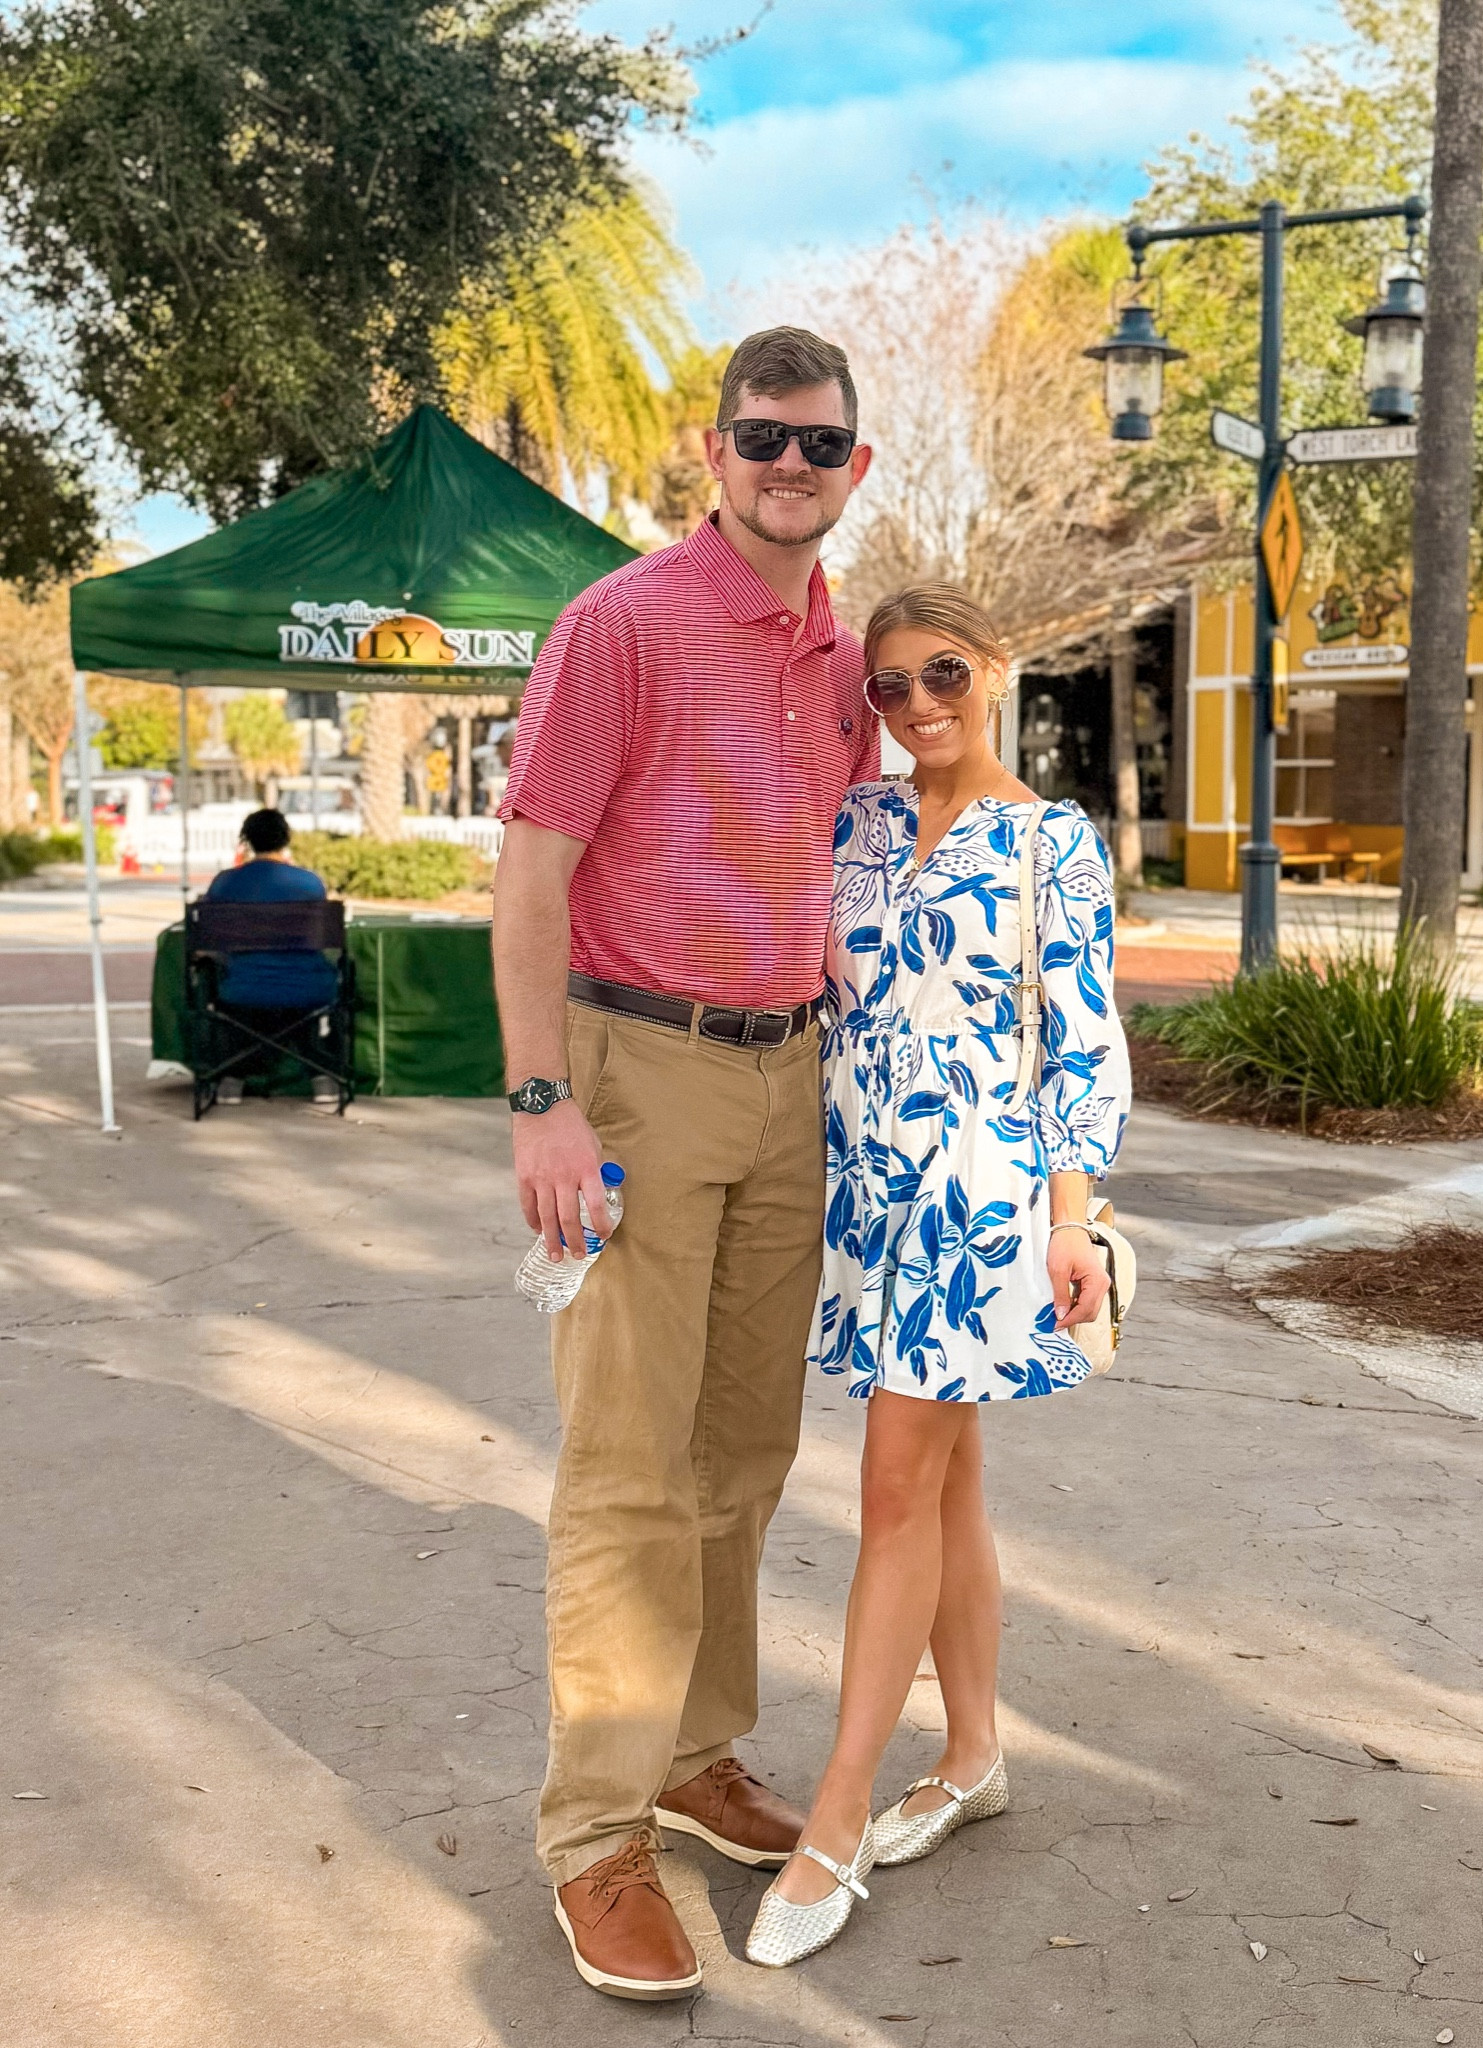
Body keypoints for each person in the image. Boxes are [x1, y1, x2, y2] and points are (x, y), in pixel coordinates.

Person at [490, 328, 876, 2002]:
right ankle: (594, 1832)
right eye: (763, 438)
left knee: (744, 1448)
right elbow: (528, 876)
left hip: (790, 1072)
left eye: (820, 444)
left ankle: (696, 1750)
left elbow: (831, 853)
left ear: (856, 467)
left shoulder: (843, 649)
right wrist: (539, 1100)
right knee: (632, 1467)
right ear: (710, 452)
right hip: (635, 1074)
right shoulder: (619, 628)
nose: (789, 465)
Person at [743, 583, 1131, 1968]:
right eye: (889, 689)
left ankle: (836, 1813)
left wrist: (1074, 1218)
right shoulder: (852, 826)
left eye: (943, 674)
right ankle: (972, 1759)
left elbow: (1079, 1045)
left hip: (982, 1206)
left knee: (895, 1485)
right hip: (865, 1193)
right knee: (946, 1481)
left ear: (997, 666)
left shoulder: (1052, 844)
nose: (917, 707)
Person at [201, 809, 339, 1103]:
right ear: (285, 839)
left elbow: (208, 944)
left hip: (243, 987)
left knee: (245, 1006)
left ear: (247, 840)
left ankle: (232, 1077)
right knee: (297, 1002)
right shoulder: (309, 883)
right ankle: (321, 1077)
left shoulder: (225, 883)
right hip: (307, 987)